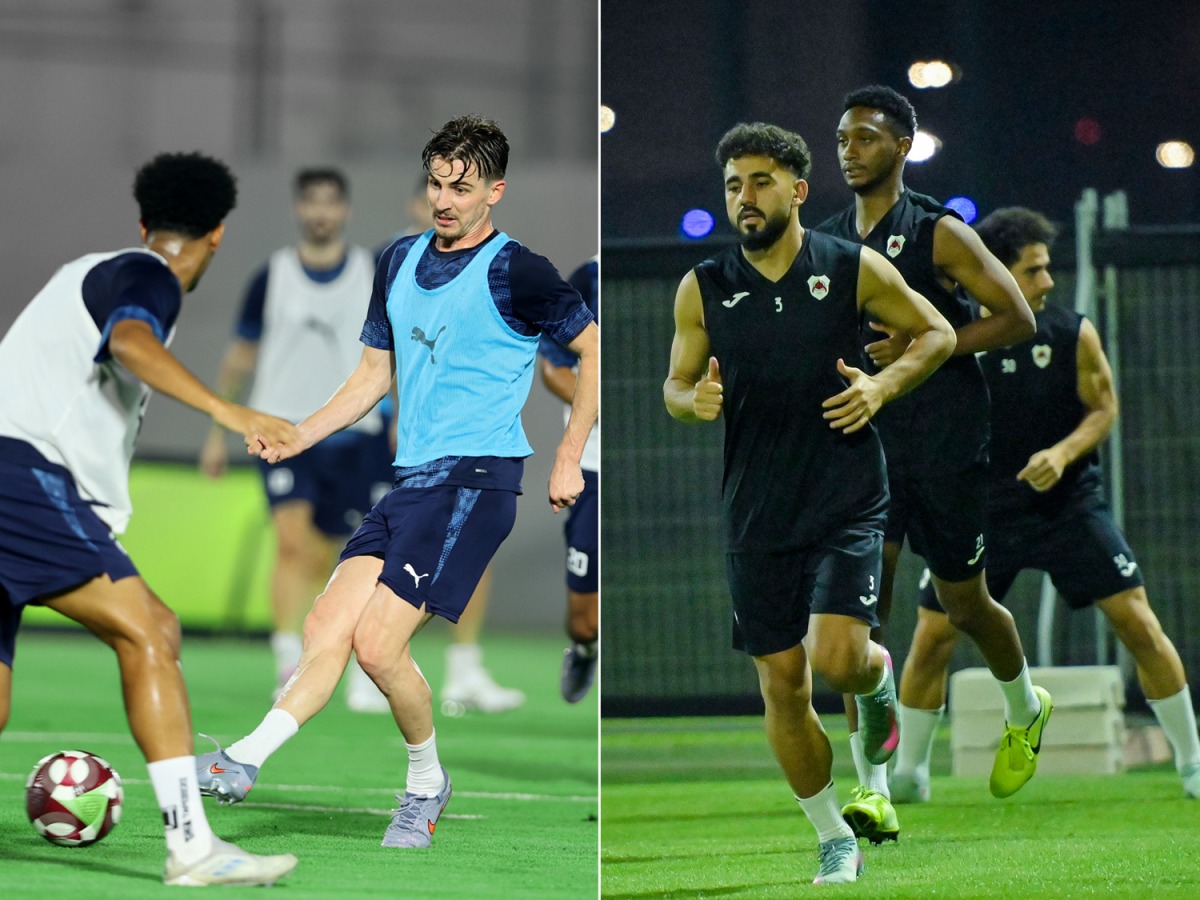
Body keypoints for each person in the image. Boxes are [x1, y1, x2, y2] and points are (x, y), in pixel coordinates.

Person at [195, 116, 598, 850]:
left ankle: (423, 786)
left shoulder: (519, 270)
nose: (445, 198)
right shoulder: (398, 260)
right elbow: (373, 376)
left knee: (378, 648)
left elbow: (594, 348)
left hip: (477, 481)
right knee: (325, 628)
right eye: (437, 183)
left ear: (495, 192)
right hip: (412, 482)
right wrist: (299, 432)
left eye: (463, 187)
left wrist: (568, 452)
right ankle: (243, 759)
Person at [664, 122, 955, 884]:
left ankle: (875, 678)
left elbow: (937, 333)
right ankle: (834, 837)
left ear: (797, 190)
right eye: (733, 184)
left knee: (836, 660)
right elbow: (674, 383)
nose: (744, 198)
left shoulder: (849, 267)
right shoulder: (703, 286)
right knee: (781, 687)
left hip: (848, 496)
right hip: (757, 512)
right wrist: (691, 401)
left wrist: (881, 384)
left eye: (760, 182)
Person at [0, 152, 298, 886]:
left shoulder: (89, 271)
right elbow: (131, 343)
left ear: (144, 220)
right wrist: (232, 411)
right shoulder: (147, 276)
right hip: (17, 479)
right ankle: (193, 848)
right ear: (218, 235)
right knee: (154, 629)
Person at [891, 207, 1200, 803]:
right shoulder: (945, 340)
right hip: (981, 512)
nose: (1048, 281)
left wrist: (1062, 454)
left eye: (1047, 268)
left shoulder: (1070, 332)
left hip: (1067, 507)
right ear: (995, 275)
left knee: (1137, 620)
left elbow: (1104, 407)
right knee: (932, 637)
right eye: (1033, 271)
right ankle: (909, 775)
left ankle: (1191, 764)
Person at [816, 85, 1048, 841]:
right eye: (844, 137)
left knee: (966, 605)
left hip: (946, 444)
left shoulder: (939, 231)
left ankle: (1025, 707)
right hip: (866, 448)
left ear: (903, 148)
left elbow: (1017, 317)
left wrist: (931, 342)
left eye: (868, 137)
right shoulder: (824, 240)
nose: (851, 149)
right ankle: (873, 787)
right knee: (858, 621)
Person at [199, 167, 389, 701]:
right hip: (283, 431)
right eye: (312, 202)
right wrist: (218, 435)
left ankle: (354, 659)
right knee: (290, 543)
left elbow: (395, 353)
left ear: (346, 210)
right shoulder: (272, 276)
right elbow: (239, 358)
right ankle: (288, 659)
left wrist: (397, 419)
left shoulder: (373, 272)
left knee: (343, 556)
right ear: (298, 210)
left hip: (356, 434)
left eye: (331, 202)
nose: (321, 213)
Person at [540, 255, 599, 702]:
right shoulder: (586, 279)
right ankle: (582, 649)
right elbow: (553, 368)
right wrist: (597, 407)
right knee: (585, 619)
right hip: (590, 467)